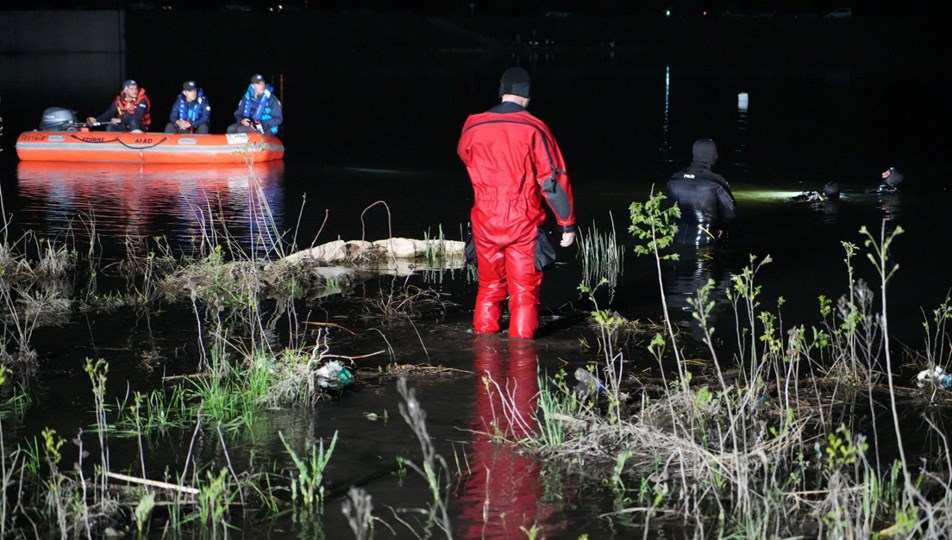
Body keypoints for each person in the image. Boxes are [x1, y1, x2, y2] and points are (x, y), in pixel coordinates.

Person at [457, 67, 577, 339]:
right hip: (523, 220)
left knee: (489, 287)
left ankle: (485, 357)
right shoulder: (534, 127)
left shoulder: (472, 125)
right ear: (528, 95)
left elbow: (465, 156)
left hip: (484, 220)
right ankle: (522, 359)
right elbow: (552, 181)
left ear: (501, 92)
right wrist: (567, 224)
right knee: (523, 292)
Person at [665, 138, 736, 246]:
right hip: (704, 241)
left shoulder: (674, 179)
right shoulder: (716, 181)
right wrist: (721, 226)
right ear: (712, 155)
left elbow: (669, 210)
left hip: (676, 238)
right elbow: (730, 213)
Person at [87, 79, 151, 132]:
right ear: (125, 90)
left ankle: (136, 145)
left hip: (140, 127)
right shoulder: (119, 101)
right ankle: (112, 146)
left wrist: (121, 120)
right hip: (126, 126)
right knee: (111, 126)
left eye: (136, 89)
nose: (134, 91)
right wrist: (96, 120)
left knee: (133, 122)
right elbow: (109, 113)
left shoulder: (142, 100)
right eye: (131, 89)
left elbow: (137, 117)